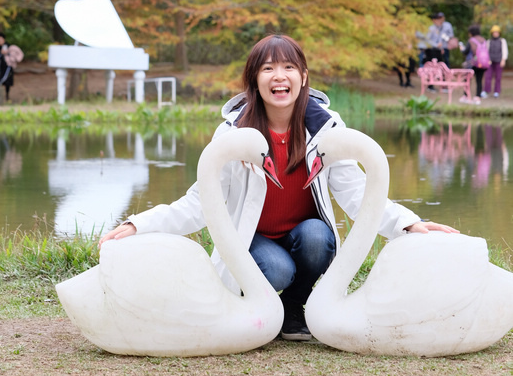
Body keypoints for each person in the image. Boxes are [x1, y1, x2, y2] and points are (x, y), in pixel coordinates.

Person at [99, 34, 459, 342]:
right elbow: (200, 203)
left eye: (288, 67)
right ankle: (270, 305)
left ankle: (291, 307)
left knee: (320, 238)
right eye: (267, 68)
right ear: (254, 79)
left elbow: (357, 192)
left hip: (304, 236)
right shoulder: (232, 134)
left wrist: (408, 224)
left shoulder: (327, 130)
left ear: (303, 76)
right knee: (278, 269)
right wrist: (139, 224)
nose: (279, 76)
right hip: (253, 240)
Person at [461, 25, 490, 103]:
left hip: (472, 64)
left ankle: (466, 96)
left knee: (467, 80)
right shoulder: (483, 40)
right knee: (479, 80)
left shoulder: (471, 40)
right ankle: (477, 97)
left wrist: (461, 49)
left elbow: (465, 52)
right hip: (482, 63)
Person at [482, 25, 508, 99]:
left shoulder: (502, 41)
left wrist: (503, 60)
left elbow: (504, 51)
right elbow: (486, 51)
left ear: (499, 33)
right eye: (494, 32)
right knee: (488, 76)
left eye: (497, 32)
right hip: (490, 61)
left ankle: (497, 91)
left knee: (498, 77)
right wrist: (487, 60)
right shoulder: (489, 41)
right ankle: (486, 90)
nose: (495, 33)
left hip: (499, 61)